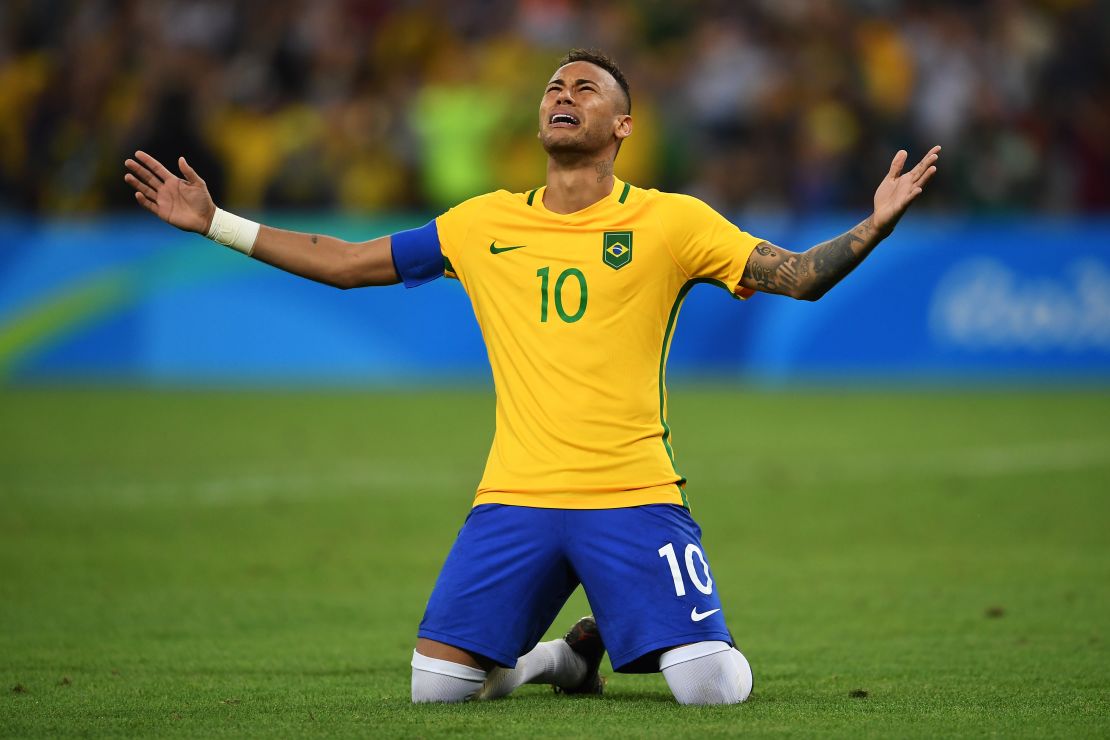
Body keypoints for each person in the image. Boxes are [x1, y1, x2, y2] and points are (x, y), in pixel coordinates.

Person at [124, 49, 940, 705]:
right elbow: (343, 263)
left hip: (632, 493)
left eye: (585, 87)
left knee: (710, 688)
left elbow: (797, 275)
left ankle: (639, 636)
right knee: (435, 691)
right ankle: (564, 657)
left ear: (622, 124)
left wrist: (872, 225)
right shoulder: (480, 224)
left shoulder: (673, 221)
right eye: (554, 86)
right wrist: (216, 222)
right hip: (514, 495)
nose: (563, 93)